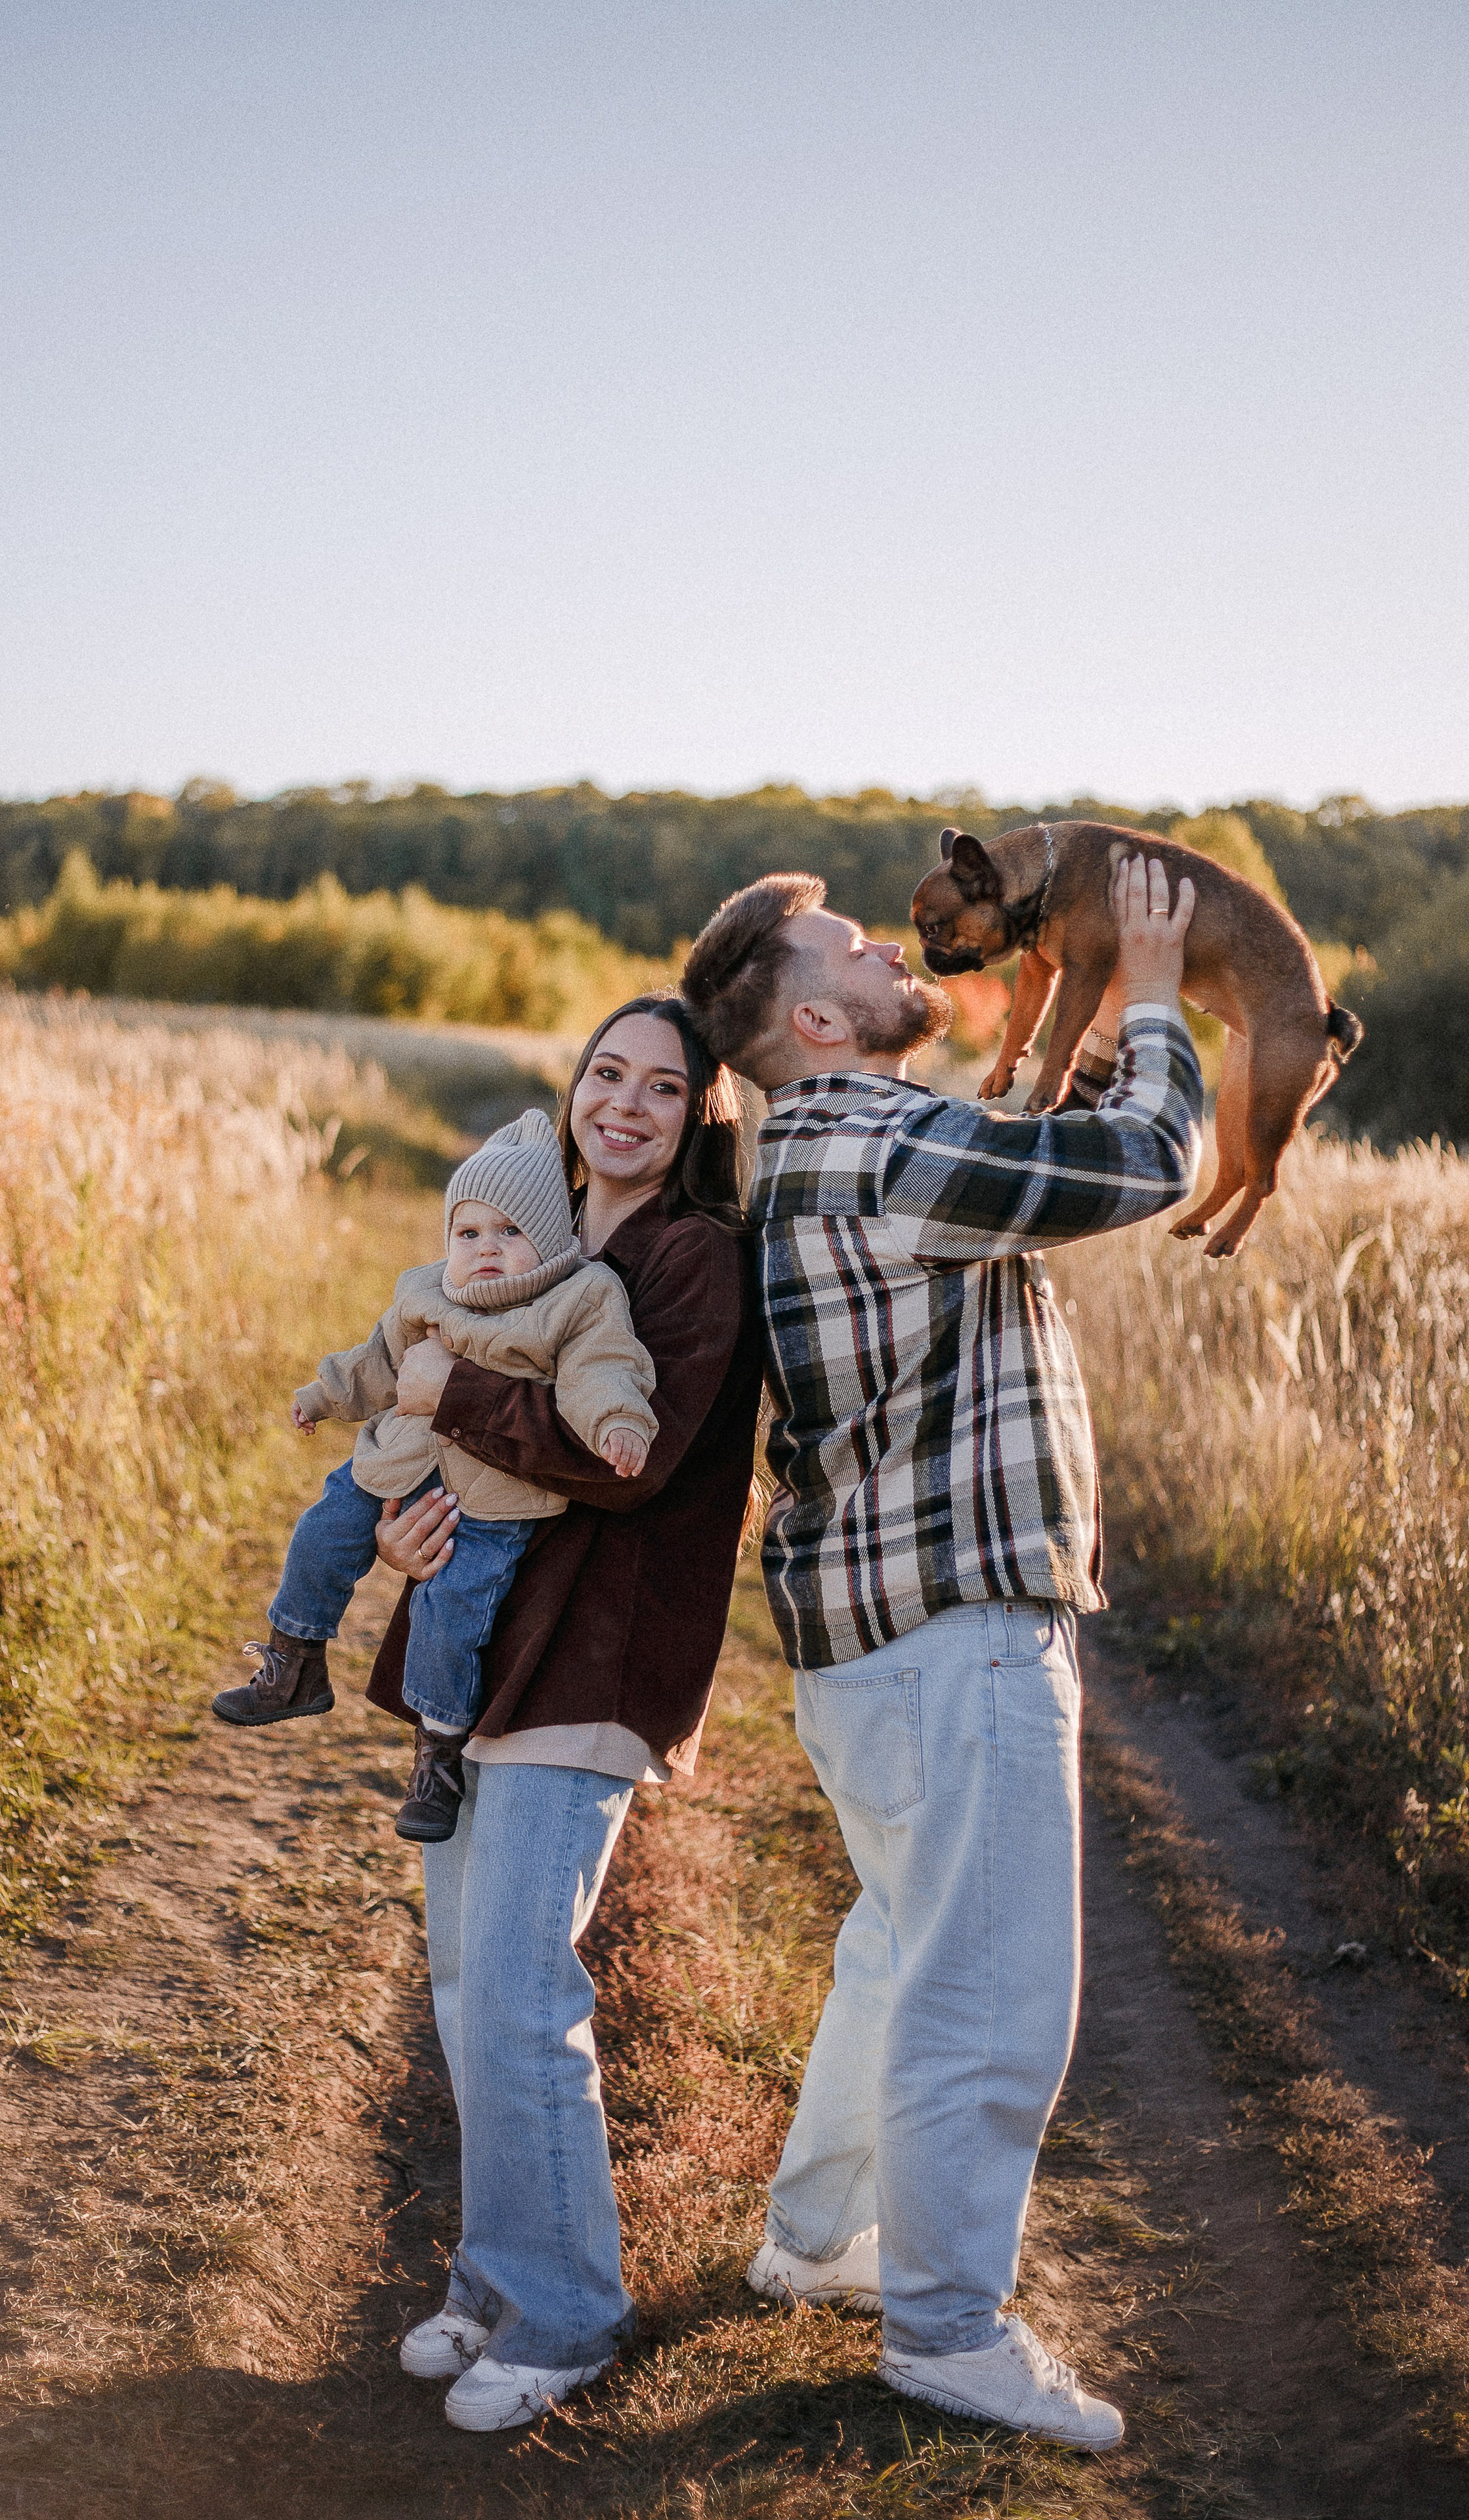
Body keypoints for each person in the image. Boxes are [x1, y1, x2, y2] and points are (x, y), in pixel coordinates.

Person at [681, 853, 1202, 2452]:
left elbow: (1016, 1145)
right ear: (819, 1014)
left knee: (900, 1950)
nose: (891, 946)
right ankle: (945, 2329)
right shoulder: (876, 1138)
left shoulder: (815, 1144)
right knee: (984, 1991)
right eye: (849, 942)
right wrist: (1165, 988)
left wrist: (1051, 1027)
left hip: (869, 1644)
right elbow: (1136, 1162)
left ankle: (820, 2236)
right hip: (955, 1628)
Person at [362, 994, 761, 2433]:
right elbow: (432, 1441)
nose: (629, 1104)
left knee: (525, 1990)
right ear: (573, 1088)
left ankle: (570, 2314)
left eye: (667, 1087)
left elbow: (625, 1468)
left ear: (700, 1117)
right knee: (467, 1986)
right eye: (608, 1074)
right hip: (481, 1662)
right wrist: (404, 1528)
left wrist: (453, 1388)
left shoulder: (693, 1263)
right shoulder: (519, 1238)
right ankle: (492, 2277)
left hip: (596, 1662)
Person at [210, 1110, 658, 1845]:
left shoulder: (580, 1298)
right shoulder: (426, 1292)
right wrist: (323, 1396)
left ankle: (438, 1754)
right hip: (395, 1463)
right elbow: (376, 1364)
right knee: (322, 1531)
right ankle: (293, 1661)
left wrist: (618, 1424)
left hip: (492, 1501)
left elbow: (601, 1371)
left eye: (510, 1233)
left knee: (450, 1616)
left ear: (549, 1237)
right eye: (468, 1232)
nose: (486, 1249)